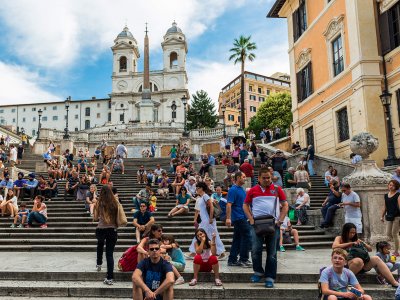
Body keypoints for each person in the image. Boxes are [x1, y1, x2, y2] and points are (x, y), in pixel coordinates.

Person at [243, 168, 289, 288]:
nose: (266, 180)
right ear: (258, 178)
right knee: (255, 250)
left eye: (268, 177)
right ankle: (258, 271)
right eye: (264, 177)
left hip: (273, 224)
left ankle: (270, 277)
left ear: (271, 177)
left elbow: (285, 205)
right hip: (256, 224)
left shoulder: (277, 189)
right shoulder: (252, 190)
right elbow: (245, 205)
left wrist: (280, 220)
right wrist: (251, 219)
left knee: (272, 253)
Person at [332, 223, 399, 287]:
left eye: (354, 233)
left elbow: (370, 249)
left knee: (376, 258)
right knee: (359, 261)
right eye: (351, 232)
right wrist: (351, 244)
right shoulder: (339, 238)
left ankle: (394, 282)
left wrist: (362, 243)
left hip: (363, 265)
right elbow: (334, 246)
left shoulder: (357, 240)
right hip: (349, 265)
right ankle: (344, 281)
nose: (352, 234)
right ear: (346, 232)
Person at [189, 182, 225, 256]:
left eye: (198, 188)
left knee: (212, 235)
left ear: (201, 188)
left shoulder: (205, 196)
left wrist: (211, 218)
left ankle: (221, 252)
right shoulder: (201, 197)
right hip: (204, 219)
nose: (196, 189)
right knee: (209, 234)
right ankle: (193, 252)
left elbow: (211, 207)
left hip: (208, 219)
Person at [93, 185, 119, 285]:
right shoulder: (115, 202)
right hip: (112, 230)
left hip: (101, 229)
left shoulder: (99, 202)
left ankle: (99, 263)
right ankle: (110, 278)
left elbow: (95, 217)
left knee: (99, 245)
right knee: (109, 254)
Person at [226, 171, 252, 267]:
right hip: (238, 217)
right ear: (237, 178)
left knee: (237, 239)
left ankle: (232, 260)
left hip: (243, 217)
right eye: (243, 176)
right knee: (247, 237)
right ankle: (243, 259)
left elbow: (245, 204)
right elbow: (229, 204)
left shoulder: (241, 189)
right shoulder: (233, 189)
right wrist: (228, 218)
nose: (245, 178)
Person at [381, 179, 400, 256]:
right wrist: (381, 216)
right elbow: (385, 207)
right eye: (390, 185)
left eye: (393, 185)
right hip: (389, 216)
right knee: (388, 233)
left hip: (397, 216)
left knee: (394, 233)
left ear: (396, 187)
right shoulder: (386, 195)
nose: (391, 186)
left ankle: (396, 251)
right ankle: (396, 243)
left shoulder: (398, 195)